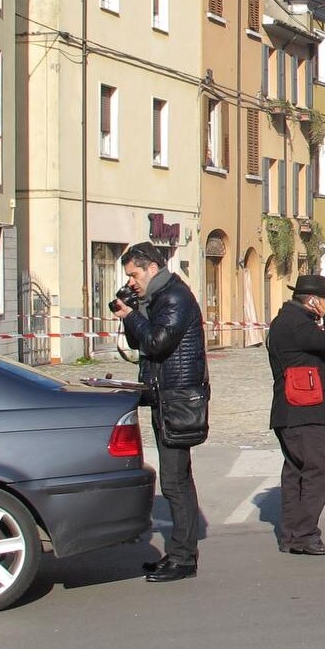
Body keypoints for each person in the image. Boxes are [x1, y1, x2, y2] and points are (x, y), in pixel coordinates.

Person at [110, 243, 208, 583]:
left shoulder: (175, 297)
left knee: (175, 482)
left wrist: (132, 315)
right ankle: (180, 553)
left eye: (134, 275)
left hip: (178, 401)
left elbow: (156, 342)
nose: (131, 282)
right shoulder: (158, 298)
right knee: (176, 480)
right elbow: (139, 344)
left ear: (152, 268)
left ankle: (183, 558)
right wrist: (133, 312)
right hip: (166, 398)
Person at [266, 273, 325, 555]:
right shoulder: (296, 323)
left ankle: (292, 535)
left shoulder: (287, 320)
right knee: (319, 469)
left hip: (291, 410)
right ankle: (304, 534)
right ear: (312, 301)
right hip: (303, 409)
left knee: (297, 472)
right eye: (323, 299)